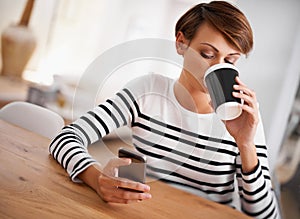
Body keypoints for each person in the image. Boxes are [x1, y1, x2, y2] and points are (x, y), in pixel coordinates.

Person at [49, 1, 280, 218]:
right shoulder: (147, 90)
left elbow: (265, 215)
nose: (217, 67)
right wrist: (97, 178)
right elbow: (65, 138)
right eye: (208, 54)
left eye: (230, 60)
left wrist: (246, 144)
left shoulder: (245, 115)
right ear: (181, 43)